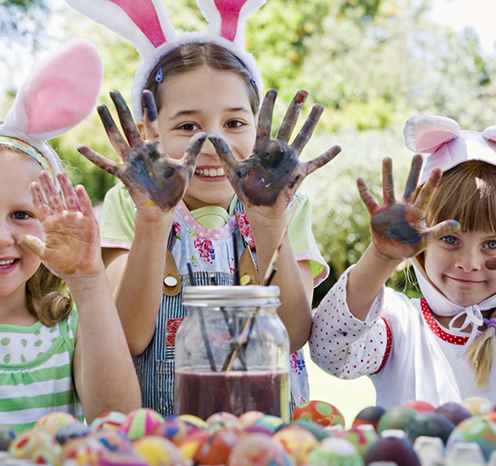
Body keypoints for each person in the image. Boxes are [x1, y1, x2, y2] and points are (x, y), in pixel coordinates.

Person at [65, 0, 340, 413]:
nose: (214, 144)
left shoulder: (287, 204)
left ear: (257, 123)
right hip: (160, 441)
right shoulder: (131, 204)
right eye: (188, 126)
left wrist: (269, 225)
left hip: (262, 439)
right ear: (148, 133)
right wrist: (153, 222)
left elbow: (294, 331)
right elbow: (129, 336)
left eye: (234, 123)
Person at [0, 33, 140, 435]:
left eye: (21, 213)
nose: (0, 237)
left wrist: (88, 281)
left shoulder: (69, 327)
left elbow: (116, 419)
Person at [309, 115, 496, 407]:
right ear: (422, 245)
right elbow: (330, 351)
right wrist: (379, 257)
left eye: (492, 244)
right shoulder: (399, 325)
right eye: (450, 239)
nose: (469, 262)